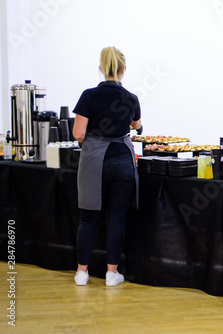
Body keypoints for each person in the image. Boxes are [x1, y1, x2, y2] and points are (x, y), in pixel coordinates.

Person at [72, 46, 142, 287]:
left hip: (95, 162)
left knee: (88, 218)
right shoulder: (131, 98)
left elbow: (78, 133)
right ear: (124, 69)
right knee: (116, 219)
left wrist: (96, 137)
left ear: (102, 69)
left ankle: (82, 272)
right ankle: (112, 273)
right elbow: (136, 124)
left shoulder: (89, 96)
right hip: (122, 160)